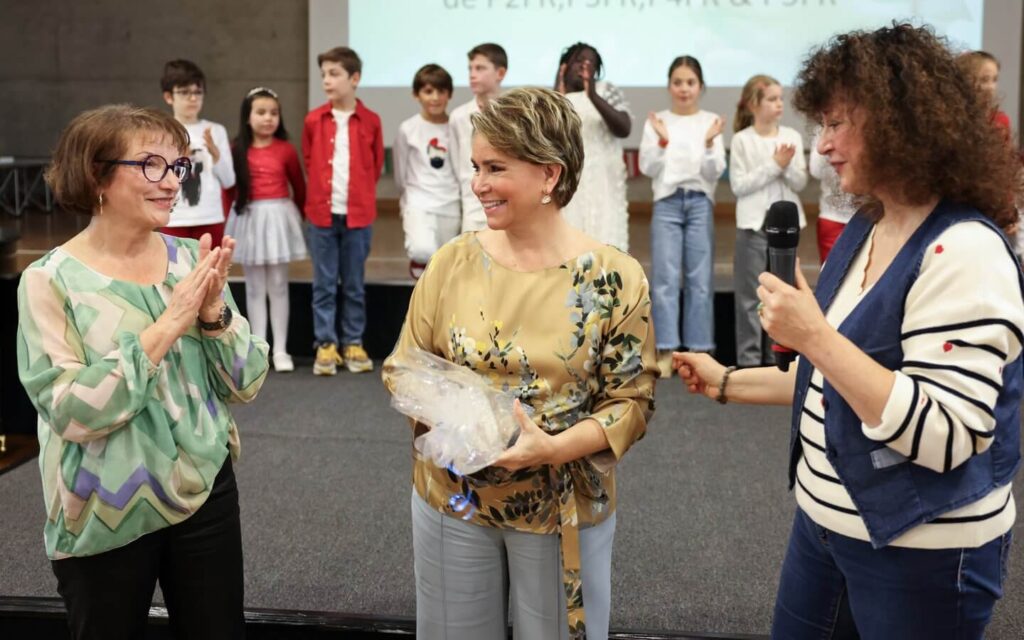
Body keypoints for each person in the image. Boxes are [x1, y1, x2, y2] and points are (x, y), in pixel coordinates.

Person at [676, 23, 1022, 638]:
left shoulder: (965, 250)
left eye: (838, 124)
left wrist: (814, 335)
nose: (824, 144)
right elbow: (828, 379)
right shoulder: (871, 225)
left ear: (902, 124)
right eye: (821, 124)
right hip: (825, 528)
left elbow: (947, 434)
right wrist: (727, 380)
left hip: (922, 554)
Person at [382, 87, 657, 640]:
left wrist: (553, 448)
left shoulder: (614, 278)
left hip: (561, 505)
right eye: (475, 167)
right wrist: (458, 428)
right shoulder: (452, 262)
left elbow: (631, 402)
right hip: (450, 495)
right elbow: (405, 367)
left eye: (495, 168)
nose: (478, 183)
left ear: (549, 176)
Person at [17, 104, 270, 639]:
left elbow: (247, 382)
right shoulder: (50, 281)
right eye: (151, 165)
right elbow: (70, 411)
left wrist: (213, 314)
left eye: (178, 166)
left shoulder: (188, 259)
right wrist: (169, 323)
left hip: (204, 491)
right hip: (102, 507)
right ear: (96, 176)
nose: (172, 182)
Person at [639, 55, 726, 377]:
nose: (684, 88)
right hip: (667, 203)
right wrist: (662, 139)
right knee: (664, 280)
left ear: (700, 86)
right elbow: (649, 167)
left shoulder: (710, 121)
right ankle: (668, 352)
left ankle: (700, 350)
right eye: (678, 82)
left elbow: (715, 170)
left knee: (700, 281)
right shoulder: (657, 120)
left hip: (700, 202)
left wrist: (707, 144)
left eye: (690, 82)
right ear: (669, 86)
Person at [303, 46, 383, 375]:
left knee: (353, 284)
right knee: (323, 284)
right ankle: (326, 344)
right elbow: (310, 160)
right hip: (322, 216)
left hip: (358, 215)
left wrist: (358, 195)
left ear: (354, 78)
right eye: (323, 74)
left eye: (334, 74)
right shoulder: (314, 120)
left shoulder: (371, 121)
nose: (327, 80)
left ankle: (353, 341)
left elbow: (375, 165)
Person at [225, 87, 307, 373]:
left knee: (279, 285)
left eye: (273, 113)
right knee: (255, 286)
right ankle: (260, 347)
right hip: (250, 218)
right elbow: (230, 188)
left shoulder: (285, 149)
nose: (268, 118)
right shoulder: (237, 149)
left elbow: (299, 185)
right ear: (247, 117)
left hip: (278, 217)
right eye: (261, 112)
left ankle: (282, 350)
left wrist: (301, 215)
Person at [729, 74, 807, 367]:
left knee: (784, 294)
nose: (778, 105)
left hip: (786, 231)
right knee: (751, 297)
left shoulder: (792, 137)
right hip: (752, 226)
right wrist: (775, 164)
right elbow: (740, 185)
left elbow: (799, 182)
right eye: (772, 99)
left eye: (780, 99)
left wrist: (785, 167)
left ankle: (781, 356)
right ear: (754, 104)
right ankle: (749, 361)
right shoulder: (741, 140)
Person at [556, 42, 633, 251]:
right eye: (579, 61)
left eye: (591, 63)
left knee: (604, 240)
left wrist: (593, 96)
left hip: (603, 184)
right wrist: (558, 91)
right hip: (567, 185)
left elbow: (624, 128)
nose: (584, 67)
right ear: (565, 65)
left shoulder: (605, 90)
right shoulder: (555, 98)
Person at [394, 64, 460, 279]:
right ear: (416, 94)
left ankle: (439, 308)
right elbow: (400, 172)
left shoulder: (456, 127)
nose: (435, 98)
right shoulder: (408, 129)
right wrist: (405, 203)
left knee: (445, 265)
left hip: (450, 203)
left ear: (449, 94)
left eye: (441, 91)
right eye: (428, 91)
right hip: (419, 201)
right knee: (423, 250)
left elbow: (462, 168)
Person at [160, 59, 236, 247]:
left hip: (210, 216)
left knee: (210, 271)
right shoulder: (162, 130)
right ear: (169, 97)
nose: (193, 98)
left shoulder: (215, 130)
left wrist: (215, 155)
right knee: (174, 274)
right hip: (174, 218)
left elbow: (229, 181)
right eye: (185, 92)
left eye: (198, 92)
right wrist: (180, 158)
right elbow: (155, 177)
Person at [448, 43, 508, 233]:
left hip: (507, 202)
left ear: (500, 73)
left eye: (480, 68)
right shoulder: (459, 116)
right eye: (470, 69)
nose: (472, 74)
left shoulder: (514, 112)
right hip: (472, 206)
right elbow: (456, 164)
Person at [808, 127, 856, 262]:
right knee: (831, 272)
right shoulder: (822, 131)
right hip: (833, 216)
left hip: (869, 216)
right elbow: (816, 170)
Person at [957, 50, 1012, 133]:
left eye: (995, 79)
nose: (991, 87)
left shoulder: (1000, 121)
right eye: (984, 79)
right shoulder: (950, 119)